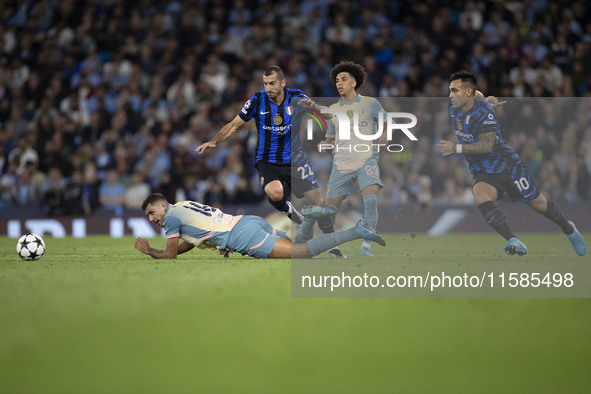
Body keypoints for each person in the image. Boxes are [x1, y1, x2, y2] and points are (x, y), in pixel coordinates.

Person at [195, 65, 345, 258]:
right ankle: (291, 212)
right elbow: (234, 125)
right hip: (267, 161)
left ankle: (333, 246)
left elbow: (321, 111)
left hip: (295, 159)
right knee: (275, 193)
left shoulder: (297, 98)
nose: (268, 87)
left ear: (283, 83)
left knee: (317, 202)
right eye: (265, 83)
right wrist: (213, 141)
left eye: (272, 83)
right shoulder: (257, 101)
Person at [437, 71, 585, 256]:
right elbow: (478, 95)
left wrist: (456, 148)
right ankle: (512, 239)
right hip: (484, 170)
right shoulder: (456, 107)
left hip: (507, 166)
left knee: (539, 204)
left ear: (467, 92)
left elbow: (486, 145)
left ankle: (569, 229)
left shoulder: (483, 113)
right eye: (450, 90)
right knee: (480, 195)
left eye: (454, 91)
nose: (450, 95)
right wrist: (483, 99)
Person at [133, 193, 385, 259]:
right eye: (148, 216)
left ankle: (355, 231)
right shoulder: (182, 207)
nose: (152, 219)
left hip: (242, 236)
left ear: (162, 206)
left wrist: (150, 251)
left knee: (302, 254)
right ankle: (307, 220)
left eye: (151, 212)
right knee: (299, 246)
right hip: (247, 222)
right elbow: (191, 240)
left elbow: (170, 254)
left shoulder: (170, 219)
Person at [304, 61, 386, 256]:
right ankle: (334, 248)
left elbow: (384, 125)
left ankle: (366, 247)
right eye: (337, 80)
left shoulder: (371, 104)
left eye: (344, 79)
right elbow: (330, 139)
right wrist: (324, 145)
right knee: (329, 211)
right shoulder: (334, 109)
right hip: (341, 163)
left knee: (371, 200)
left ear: (354, 82)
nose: (339, 83)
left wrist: (383, 137)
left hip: (367, 159)